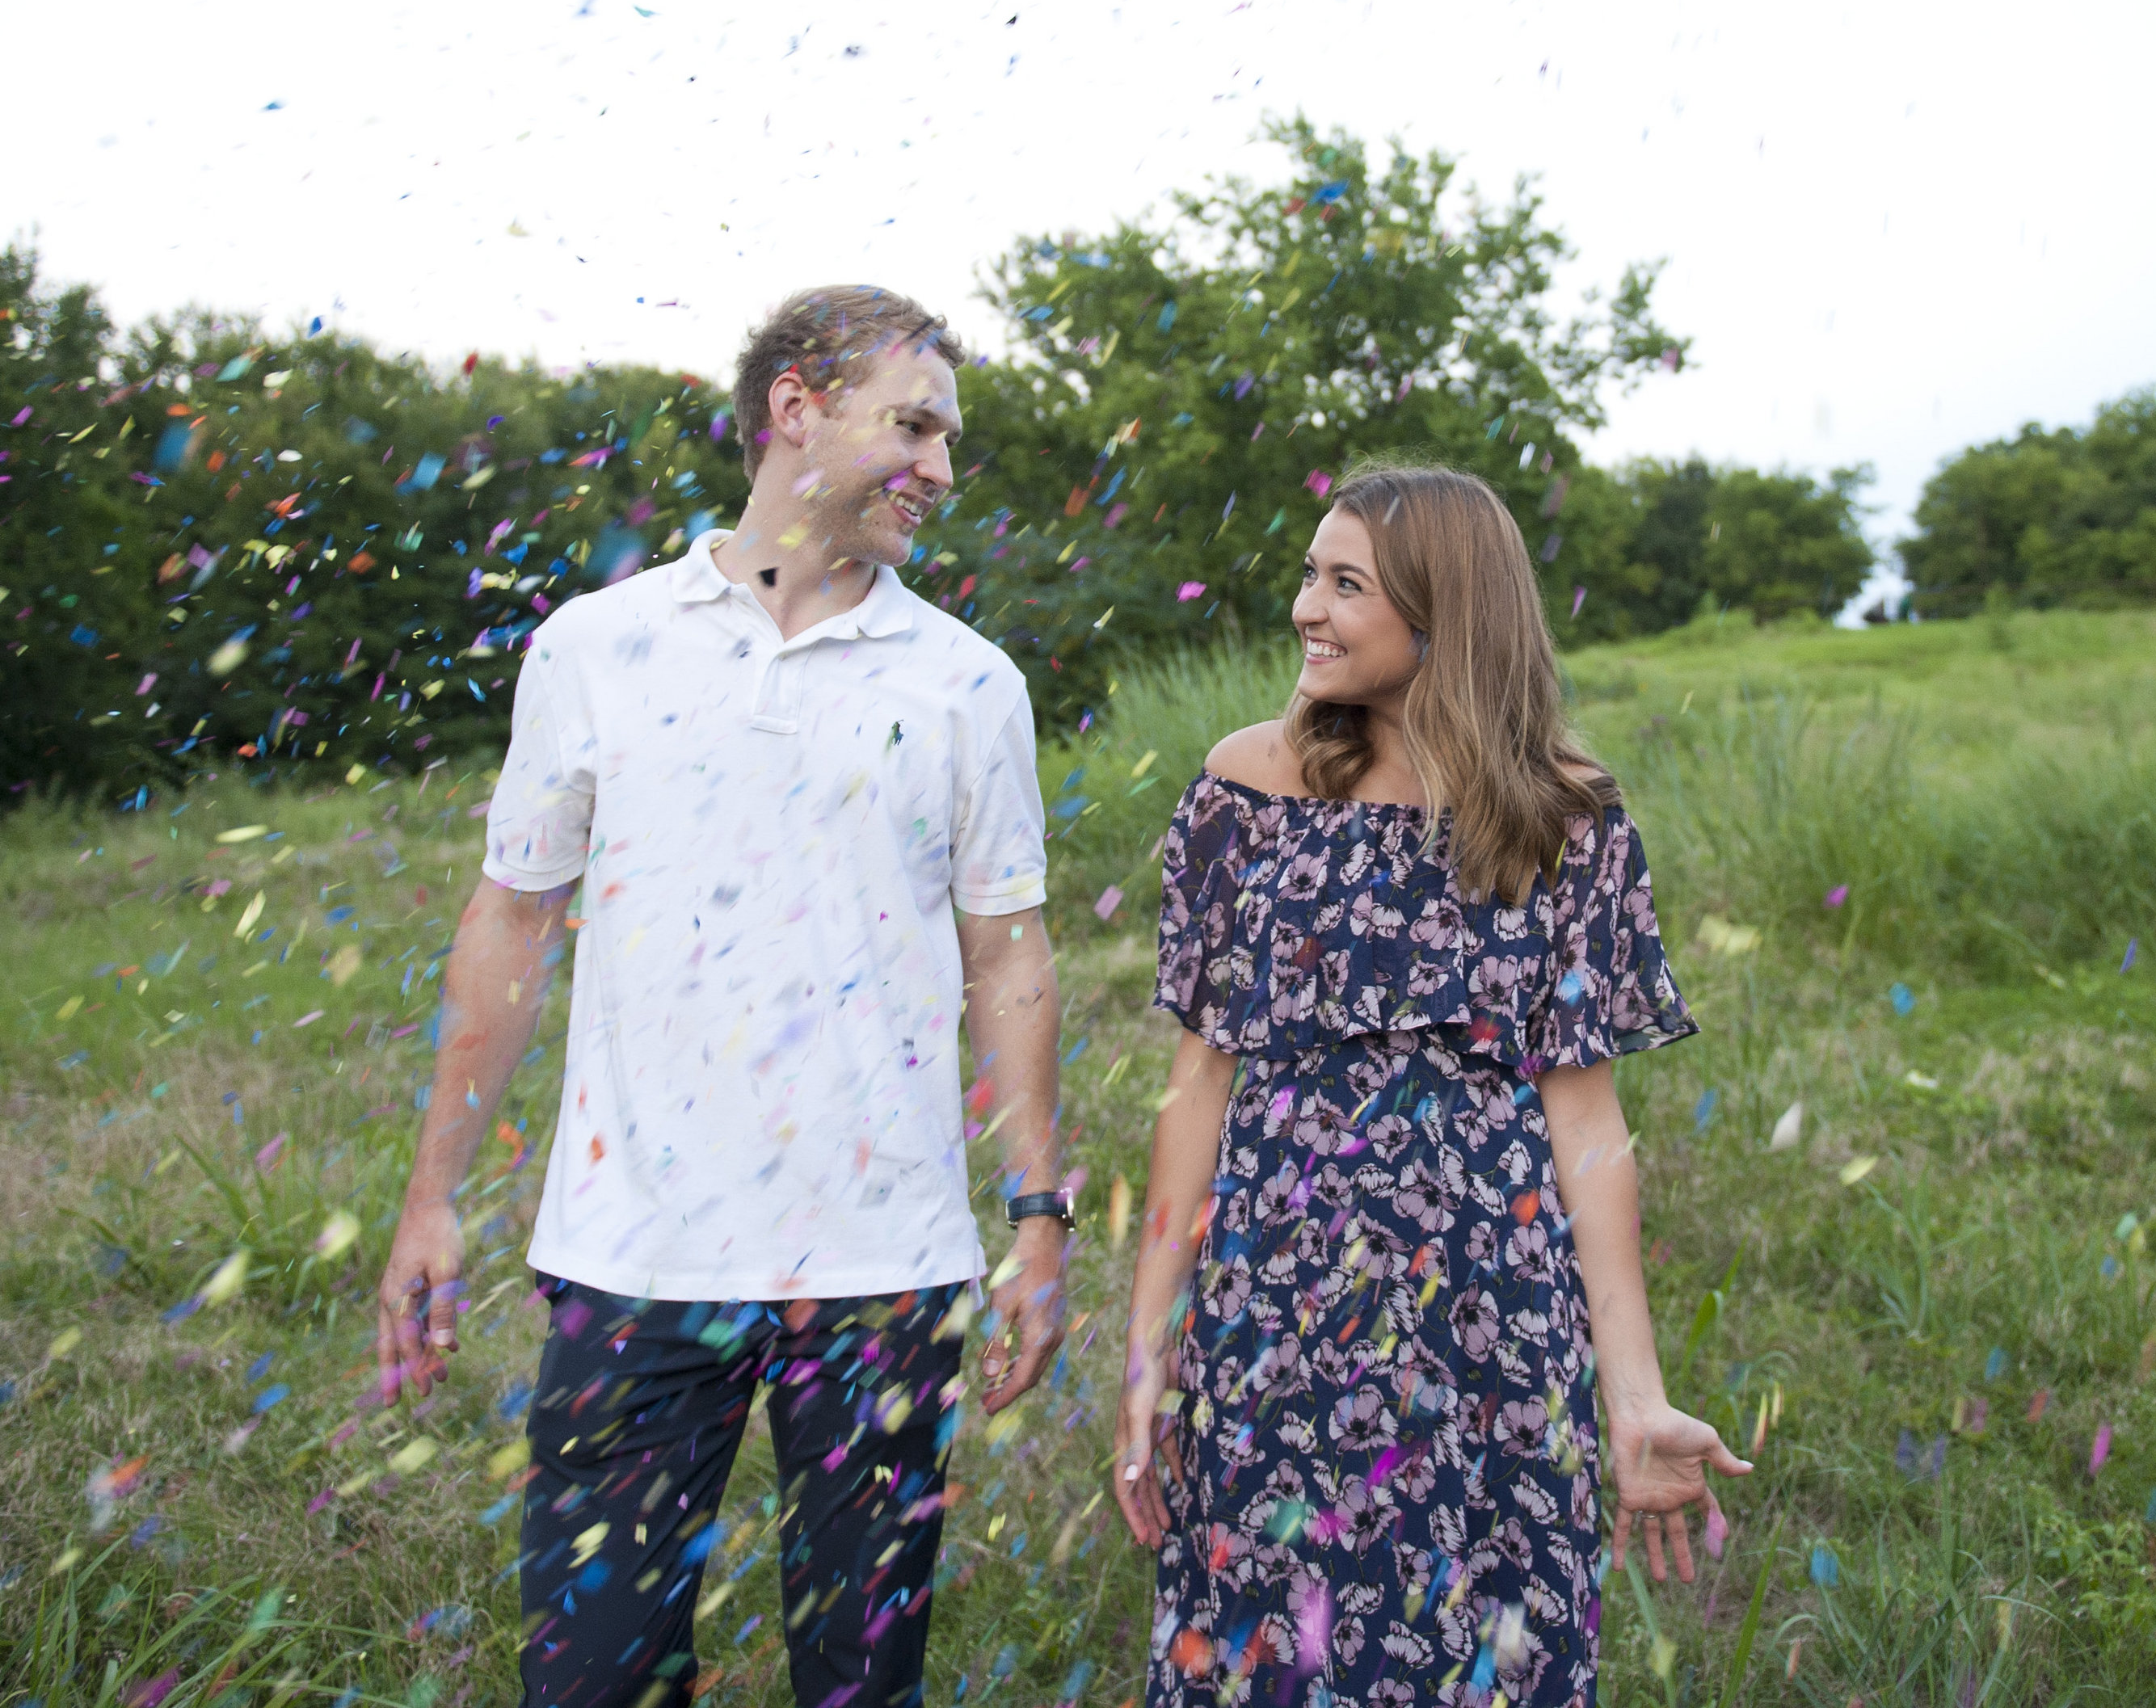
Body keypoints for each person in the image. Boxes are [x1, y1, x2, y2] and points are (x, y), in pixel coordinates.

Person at [373, 285, 1075, 1708]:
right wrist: (432, 1194)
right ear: (795, 408)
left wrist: (1039, 1217)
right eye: (916, 424)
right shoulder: (595, 644)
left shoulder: (968, 683)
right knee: (592, 1682)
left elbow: (1012, 959)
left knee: (859, 1687)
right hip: (637, 1261)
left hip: (885, 1271)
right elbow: (513, 918)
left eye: (949, 437)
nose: (941, 467)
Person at [1111, 461, 1748, 1708]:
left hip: (1492, 1324)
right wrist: (1149, 1357)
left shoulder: (1565, 816)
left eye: (1346, 583)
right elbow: (1197, 1090)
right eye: (1308, 572)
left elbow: (1587, 1119)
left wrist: (1635, 1392)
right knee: (1268, 1654)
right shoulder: (1245, 788)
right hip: (1280, 1309)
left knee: (1485, 1655)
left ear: (1442, 613)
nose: (1308, 606)